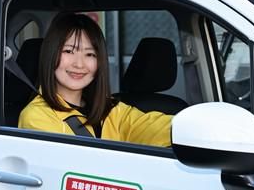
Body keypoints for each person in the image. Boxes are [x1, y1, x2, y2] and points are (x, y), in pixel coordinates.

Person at [18, 13, 172, 147]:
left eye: (90, 54)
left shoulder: (111, 110)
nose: (79, 64)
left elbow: (156, 127)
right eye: (69, 51)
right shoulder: (36, 117)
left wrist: (185, 127)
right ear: (51, 55)